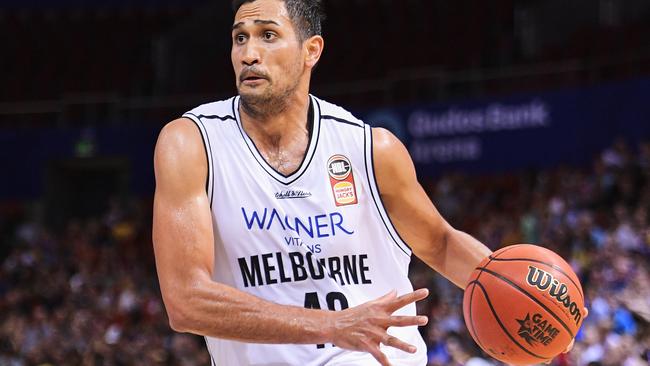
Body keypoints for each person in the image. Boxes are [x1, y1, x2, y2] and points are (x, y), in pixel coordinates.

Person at [152, 0, 580, 365]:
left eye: (267, 35)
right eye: (239, 38)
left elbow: (441, 244)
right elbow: (187, 300)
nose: (248, 53)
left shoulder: (371, 149)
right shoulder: (192, 144)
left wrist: (527, 298)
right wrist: (334, 325)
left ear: (311, 50)